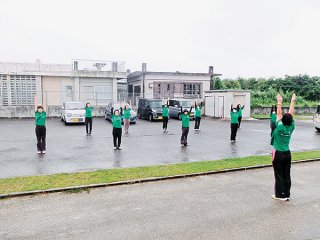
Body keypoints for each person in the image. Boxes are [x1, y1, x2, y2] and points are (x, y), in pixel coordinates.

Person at [271, 93, 296, 201]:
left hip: (278, 154)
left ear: (282, 120)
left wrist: (279, 102)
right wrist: (293, 101)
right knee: (287, 174)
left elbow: (279, 114)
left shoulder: (280, 127)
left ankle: (279, 195)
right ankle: (286, 194)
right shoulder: (291, 126)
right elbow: (291, 114)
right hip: (287, 153)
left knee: (279, 174)